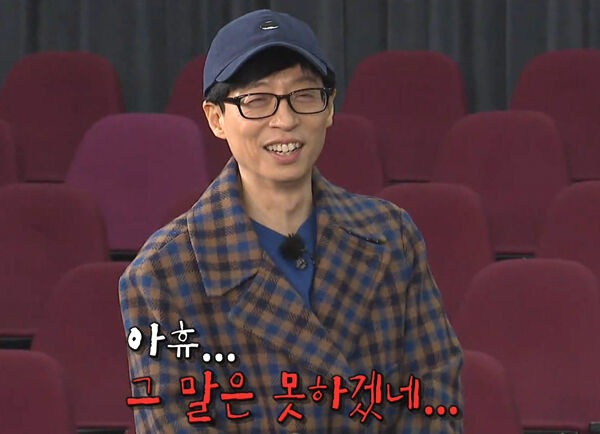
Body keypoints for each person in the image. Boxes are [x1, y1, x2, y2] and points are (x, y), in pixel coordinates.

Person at [119, 8, 463, 434]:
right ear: (216, 118)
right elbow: (172, 422)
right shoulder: (161, 274)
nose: (284, 120)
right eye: (257, 100)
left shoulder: (391, 236)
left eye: (304, 95)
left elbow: (434, 393)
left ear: (329, 107)